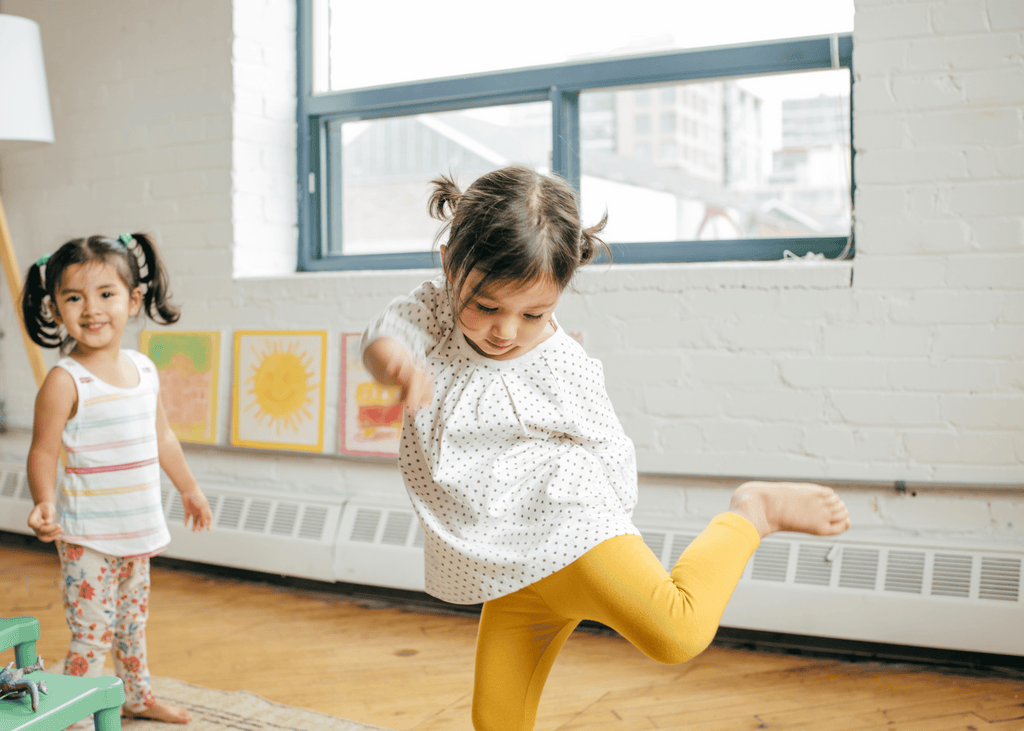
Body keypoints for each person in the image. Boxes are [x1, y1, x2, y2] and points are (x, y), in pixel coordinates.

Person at [361, 165, 852, 731]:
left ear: (559, 294)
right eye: (488, 306)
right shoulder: (437, 313)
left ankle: (751, 513)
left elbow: (607, 448)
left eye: (534, 313)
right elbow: (384, 335)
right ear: (450, 265)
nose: (505, 331)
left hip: (571, 529)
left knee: (678, 633)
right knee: (496, 721)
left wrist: (615, 535)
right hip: (507, 564)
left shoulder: (562, 364)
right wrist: (393, 364)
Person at [22, 233, 212, 726]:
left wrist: (189, 488)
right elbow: (42, 450)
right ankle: (67, 710)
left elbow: (163, 437)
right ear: (54, 308)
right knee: (91, 632)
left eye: (105, 294)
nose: (91, 310)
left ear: (132, 300)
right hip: (88, 537)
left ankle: (137, 698)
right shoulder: (65, 380)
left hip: (137, 532)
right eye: (74, 297)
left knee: (132, 625)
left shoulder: (145, 369)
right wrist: (44, 502)